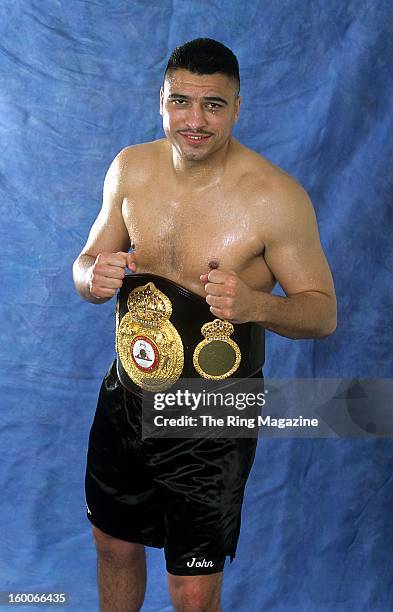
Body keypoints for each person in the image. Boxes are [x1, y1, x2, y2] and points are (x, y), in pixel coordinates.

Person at [73, 38, 337, 612]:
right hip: (126, 395)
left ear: (238, 107)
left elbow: (322, 313)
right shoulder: (130, 168)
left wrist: (256, 306)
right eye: (181, 102)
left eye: (213, 104)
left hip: (211, 412)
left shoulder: (275, 198)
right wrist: (91, 277)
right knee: (113, 544)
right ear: (161, 101)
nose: (194, 121)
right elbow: (85, 262)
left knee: (191, 592)